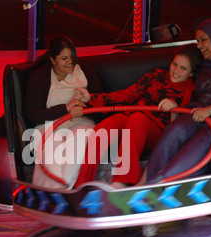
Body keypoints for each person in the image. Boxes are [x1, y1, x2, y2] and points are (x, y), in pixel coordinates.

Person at [72, 44, 203, 188]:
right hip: (133, 116)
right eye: (174, 64)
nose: (175, 71)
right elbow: (126, 95)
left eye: (182, 68)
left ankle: (122, 181)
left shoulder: (192, 90)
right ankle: (81, 185)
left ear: (191, 73)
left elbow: (181, 129)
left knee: (137, 119)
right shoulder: (156, 75)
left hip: (156, 130)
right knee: (104, 128)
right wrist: (90, 98)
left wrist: (175, 110)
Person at [141, 18, 211, 185]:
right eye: (197, 41)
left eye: (204, 40)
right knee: (174, 131)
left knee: (196, 147)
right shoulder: (206, 60)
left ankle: (158, 184)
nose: (199, 45)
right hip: (199, 114)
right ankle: (145, 183)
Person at [25, 35, 103, 189]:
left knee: (78, 146)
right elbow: (34, 114)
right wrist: (66, 108)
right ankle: (54, 194)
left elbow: (102, 106)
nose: (70, 62)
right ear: (52, 60)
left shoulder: (86, 72)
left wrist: (84, 107)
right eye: (64, 58)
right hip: (49, 126)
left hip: (81, 123)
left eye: (72, 57)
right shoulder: (39, 76)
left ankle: (63, 191)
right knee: (52, 156)